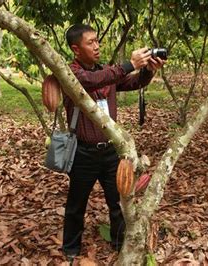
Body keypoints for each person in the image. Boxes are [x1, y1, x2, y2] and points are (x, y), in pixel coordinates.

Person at [61, 24, 165, 260]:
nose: (97, 46)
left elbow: (132, 83)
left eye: (97, 41)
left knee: (117, 202)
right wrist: (129, 65)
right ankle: (71, 249)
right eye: (90, 43)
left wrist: (148, 70)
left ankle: (120, 244)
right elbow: (92, 80)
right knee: (76, 204)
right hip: (83, 153)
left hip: (110, 152)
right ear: (76, 49)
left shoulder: (107, 71)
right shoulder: (70, 74)